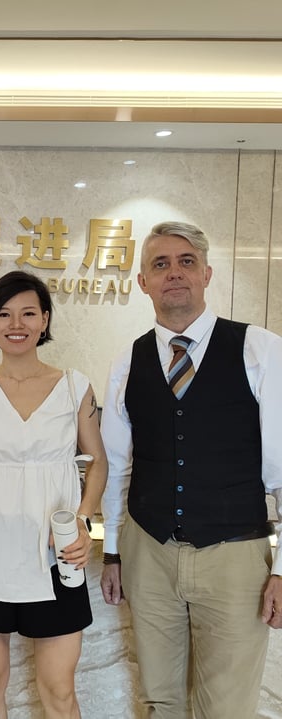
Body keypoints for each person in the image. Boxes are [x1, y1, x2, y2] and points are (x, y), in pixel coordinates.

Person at [100, 221, 282, 719]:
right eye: (160, 264)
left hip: (235, 554)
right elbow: (118, 468)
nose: (173, 273)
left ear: (206, 274)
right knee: (160, 698)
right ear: (142, 282)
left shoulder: (260, 350)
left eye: (185, 262)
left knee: (227, 706)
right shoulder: (127, 361)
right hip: (150, 550)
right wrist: (113, 553)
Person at [0, 270, 107, 719]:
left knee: (59, 687)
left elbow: (99, 462)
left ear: (45, 320)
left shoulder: (76, 385)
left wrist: (83, 522)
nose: (17, 324)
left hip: (55, 553)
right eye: (3, 314)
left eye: (28, 313)